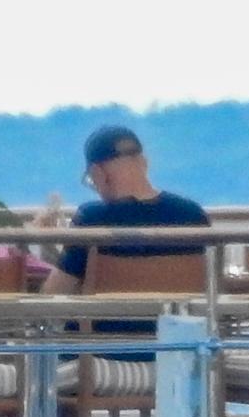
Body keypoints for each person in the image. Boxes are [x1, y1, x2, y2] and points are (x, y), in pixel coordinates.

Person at [40, 124, 210, 295]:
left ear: (98, 173)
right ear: (144, 162)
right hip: (172, 313)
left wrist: (46, 246)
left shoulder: (91, 219)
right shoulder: (193, 215)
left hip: (109, 314)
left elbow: (53, 293)